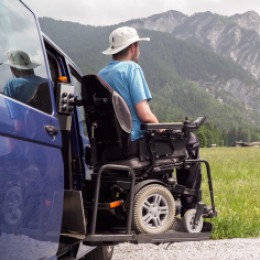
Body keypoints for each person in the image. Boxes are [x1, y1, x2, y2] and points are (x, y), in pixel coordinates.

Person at [98, 26, 159, 142]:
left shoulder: (101, 74)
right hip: (133, 140)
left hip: (109, 142)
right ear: (133, 48)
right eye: (138, 45)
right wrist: (162, 130)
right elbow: (145, 115)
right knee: (190, 140)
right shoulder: (132, 68)